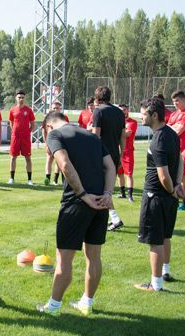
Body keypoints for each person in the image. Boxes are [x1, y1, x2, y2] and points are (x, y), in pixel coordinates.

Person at [38, 111, 116, 316]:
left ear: (48, 126)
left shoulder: (56, 135)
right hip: (100, 202)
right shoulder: (91, 135)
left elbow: (64, 164)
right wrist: (107, 194)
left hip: (76, 202)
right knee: (94, 257)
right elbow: (110, 166)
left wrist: (82, 194)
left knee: (64, 258)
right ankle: (86, 303)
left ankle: (53, 307)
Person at [134, 97, 183, 291]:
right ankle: (165, 272)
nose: (141, 118)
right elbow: (179, 160)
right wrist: (177, 185)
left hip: (156, 196)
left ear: (154, 115)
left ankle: (156, 284)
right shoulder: (171, 134)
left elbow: (163, 175)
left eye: (144, 114)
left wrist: (172, 189)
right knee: (164, 237)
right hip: (168, 196)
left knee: (155, 241)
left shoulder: (159, 139)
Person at [91, 86, 126, 231]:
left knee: (101, 188)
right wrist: (121, 153)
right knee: (106, 188)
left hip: (101, 155)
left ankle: (113, 218)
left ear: (97, 98)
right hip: (114, 153)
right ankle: (113, 218)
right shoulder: (119, 112)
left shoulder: (98, 111)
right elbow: (123, 135)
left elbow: (95, 136)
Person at [168, 90, 185, 211]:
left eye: (177, 100)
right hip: (171, 147)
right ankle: (174, 199)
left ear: (184, 100)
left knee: (181, 176)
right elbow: (167, 129)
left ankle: (184, 203)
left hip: (182, 149)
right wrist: (173, 127)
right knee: (172, 175)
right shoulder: (173, 114)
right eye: (173, 101)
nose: (175, 103)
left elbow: (178, 131)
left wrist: (173, 127)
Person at [8, 90, 36, 185]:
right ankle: (11, 178)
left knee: (28, 158)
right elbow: (11, 122)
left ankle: (29, 180)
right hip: (15, 137)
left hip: (25, 138)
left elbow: (33, 124)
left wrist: (28, 132)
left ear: (25, 98)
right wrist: (14, 131)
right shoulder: (12, 110)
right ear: (16, 98)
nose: (21, 99)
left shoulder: (28, 110)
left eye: (22, 97)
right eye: (19, 97)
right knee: (13, 157)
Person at [41, 100, 67, 186]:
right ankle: (47, 179)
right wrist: (46, 143)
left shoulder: (64, 118)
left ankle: (55, 180)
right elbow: (43, 130)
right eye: (54, 108)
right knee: (49, 160)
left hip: (60, 142)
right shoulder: (47, 117)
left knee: (59, 161)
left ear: (60, 109)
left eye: (57, 108)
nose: (55, 109)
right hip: (50, 141)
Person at [117, 104, 138, 202]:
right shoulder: (117, 121)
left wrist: (115, 131)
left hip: (128, 152)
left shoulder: (132, 122)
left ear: (128, 110)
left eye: (124, 110)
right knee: (119, 174)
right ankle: (123, 194)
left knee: (129, 174)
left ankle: (130, 196)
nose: (123, 112)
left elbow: (127, 134)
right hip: (118, 151)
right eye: (121, 110)